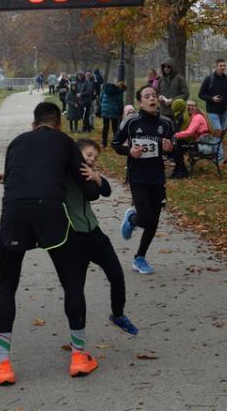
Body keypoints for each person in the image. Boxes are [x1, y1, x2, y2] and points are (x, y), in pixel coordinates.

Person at [0, 102, 103, 385]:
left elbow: (12, 179)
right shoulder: (65, 142)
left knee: (7, 284)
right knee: (71, 282)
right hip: (51, 211)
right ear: (58, 124)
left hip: (14, 211)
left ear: (33, 124)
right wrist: (95, 180)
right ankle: (79, 356)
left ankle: (2, 365)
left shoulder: (16, 142)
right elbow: (89, 191)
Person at [69, 138, 138, 335]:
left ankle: (118, 314)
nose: (92, 159)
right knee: (76, 289)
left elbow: (105, 190)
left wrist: (97, 178)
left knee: (116, 275)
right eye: (89, 154)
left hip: (95, 234)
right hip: (74, 238)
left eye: (95, 158)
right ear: (76, 153)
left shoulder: (89, 175)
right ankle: (77, 334)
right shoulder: (63, 172)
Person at [112, 84, 175, 274]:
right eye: (147, 96)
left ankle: (139, 258)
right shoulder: (132, 122)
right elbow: (115, 143)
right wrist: (129, 151)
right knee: (145, 218)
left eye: (154, 95)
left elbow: (174, 147)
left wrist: (170, 148)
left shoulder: (166, 123)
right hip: (137, 176)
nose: (152, 98)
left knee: (153, 222)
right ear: (140, 102)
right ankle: (132, 219)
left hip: (157, 177)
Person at [198, 58, 227, 164]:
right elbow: (201, 94)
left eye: (224, 65)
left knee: (220, 133)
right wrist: (212, 99)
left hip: (224, 110)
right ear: (216, 66)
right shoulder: (209, 79)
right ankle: (220, 156)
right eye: (220, 65)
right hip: (212, 110)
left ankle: (213, 152)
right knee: (218, 130)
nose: (222, 67)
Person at [99, 78, 126, 147]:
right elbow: (120, 103)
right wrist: (121, 112)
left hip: (105, 111)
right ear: (121, 87)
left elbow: (100, 98)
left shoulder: (105, 89)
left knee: (105, 127)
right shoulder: (119, 92)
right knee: (115, 128)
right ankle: (115, 142)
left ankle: (104, 143)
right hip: (114, 111)